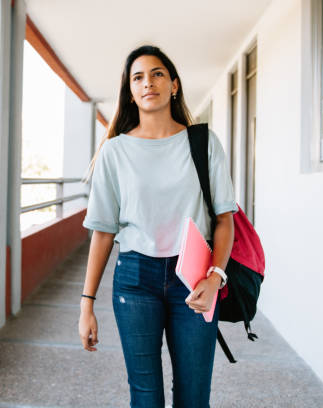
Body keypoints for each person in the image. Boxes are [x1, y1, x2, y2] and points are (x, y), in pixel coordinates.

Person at [78, 44, 237, 408]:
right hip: (135, 279)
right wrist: (86, 305)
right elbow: (102, 232)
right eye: (138, 78)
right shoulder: (115, 152)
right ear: (131, 93)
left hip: (194, 277)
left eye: (157, 74)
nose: (148, 82)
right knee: (146, 398)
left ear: (174, 85)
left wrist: (215, 279)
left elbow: (225, 220)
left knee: (193, 398)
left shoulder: (203, 143)